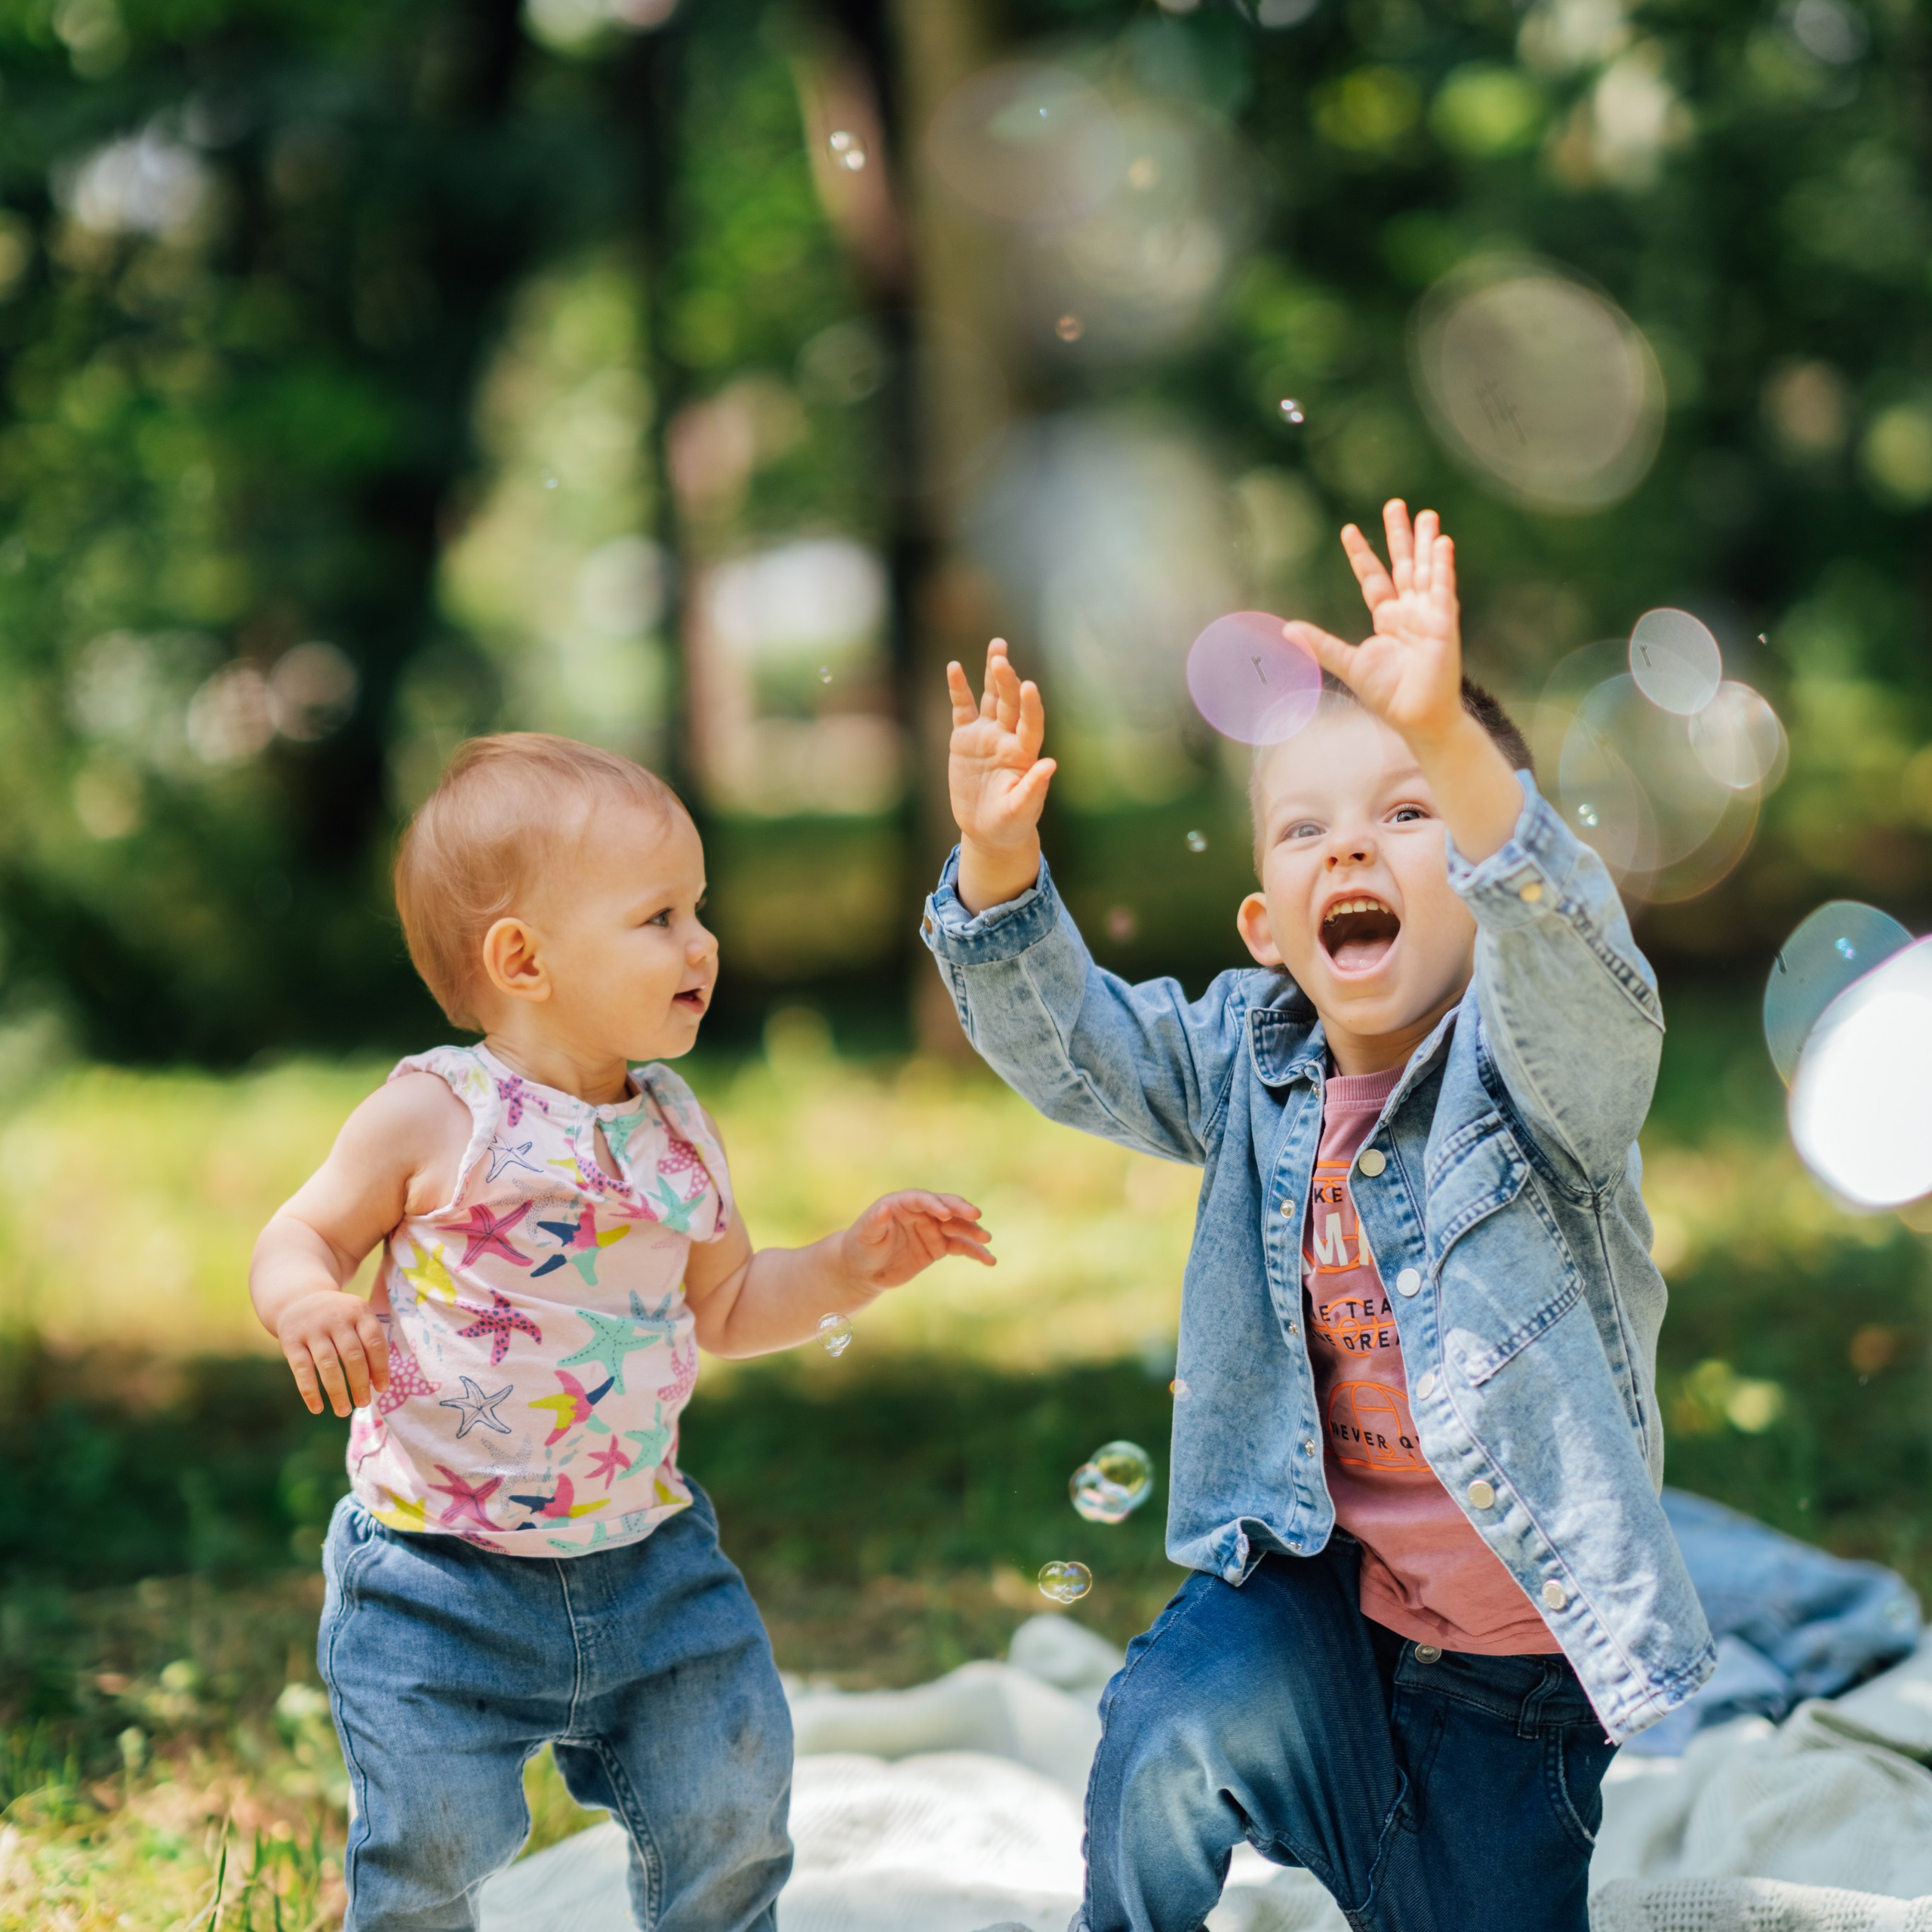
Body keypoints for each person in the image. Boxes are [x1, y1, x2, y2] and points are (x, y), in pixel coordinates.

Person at [925, 502, 1715, 1932]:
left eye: (1407, 815)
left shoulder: (1538, 1078)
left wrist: (1457, 749)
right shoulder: (1247, 1055)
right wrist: (995, 871)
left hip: (1513, 1683)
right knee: (1164, 1732)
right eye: (1307, 831)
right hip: (1314, 1603)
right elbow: (1079, 1047)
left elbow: (1570, 960)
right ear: (1263, 924)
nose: (1351, 850)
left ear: (1476, 887)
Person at [250, 732, 995, 1932]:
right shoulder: (436, 1115)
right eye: (659, 917)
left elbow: (733, 1303)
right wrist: (307, 1302)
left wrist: (852, 1265)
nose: (703, 942)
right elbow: (301, 1233)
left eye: (699, 911)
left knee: (732, 1800)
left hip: (650, 1562)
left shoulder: (677, 1129)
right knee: (430, 1850)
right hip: (438, 1572)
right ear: (522, 959)